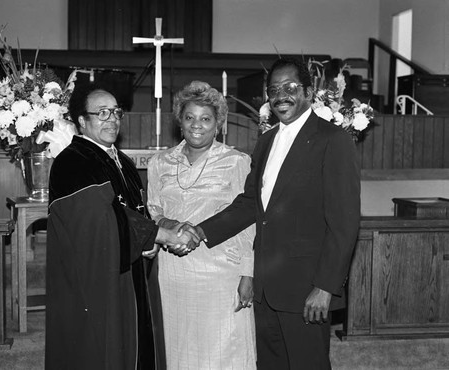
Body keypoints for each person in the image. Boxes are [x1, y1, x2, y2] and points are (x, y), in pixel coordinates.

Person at [190, 57, 361, 369]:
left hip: (307, 289)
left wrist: (325, 287)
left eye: (290, 88)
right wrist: (200, 231)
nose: (281, 95)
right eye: (273, 90)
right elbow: (249, 205)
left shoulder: (332, 140)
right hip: (266, 288)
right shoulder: (266, 140)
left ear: (309, 92)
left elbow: (344, 224)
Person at [45, 84, 198, 369]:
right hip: (96, 281)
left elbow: (136, 213)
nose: (112, 118)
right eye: (102, 113)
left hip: (130, 272)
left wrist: (150, 239)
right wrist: (159, 236)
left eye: (116, 112)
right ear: (81, 120)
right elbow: (102, 221)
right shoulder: (72, 162)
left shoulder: (124, 163)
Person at [146, 81, 257, 369]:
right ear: (179, 122)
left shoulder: (236, 162)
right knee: (178, 345)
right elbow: (153, 209)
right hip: (174, 270)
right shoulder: (160, 162)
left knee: (223, 347)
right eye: (190, 117)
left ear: (218, 124)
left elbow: (248, 222)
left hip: (221, 271)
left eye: (206, 118)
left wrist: (248, 273)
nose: (197, 125)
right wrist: (168, 222)